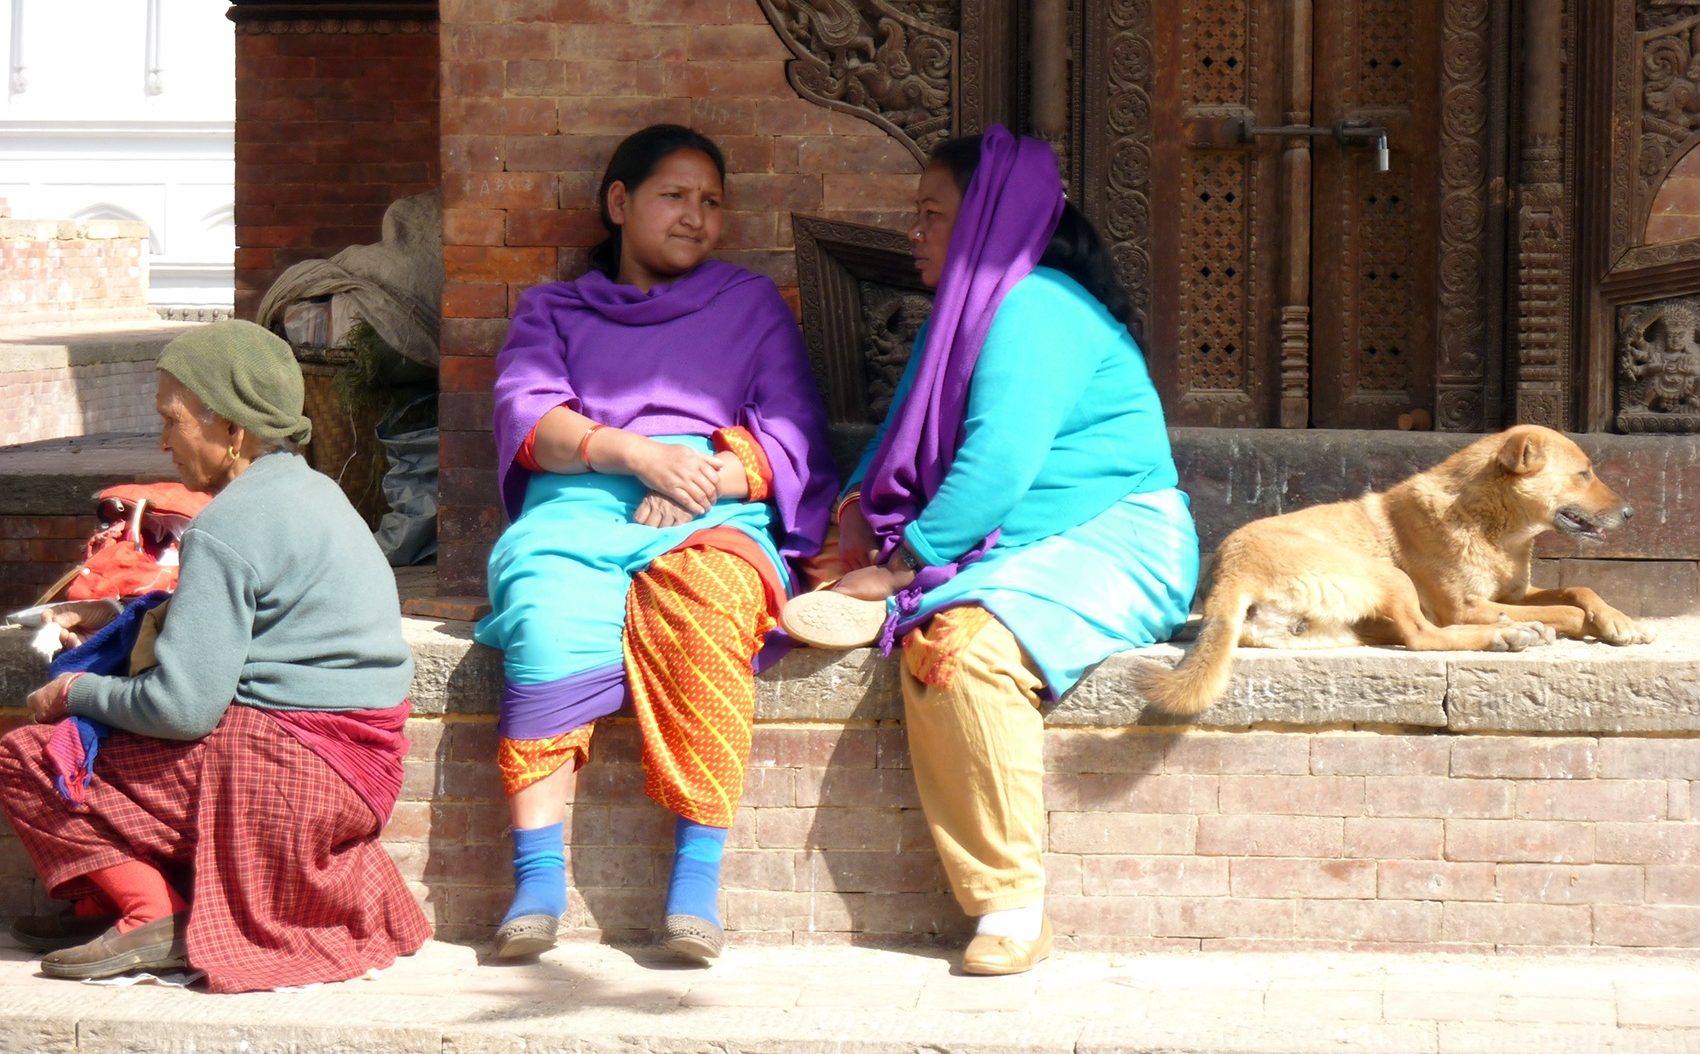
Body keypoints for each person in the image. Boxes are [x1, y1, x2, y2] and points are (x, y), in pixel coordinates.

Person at [780, 127, 1200, 975]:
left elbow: (996, 463)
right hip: (1023, 544)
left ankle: (1011, 905)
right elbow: (899, 435)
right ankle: (905, 597)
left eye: (931, 216)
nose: (914, 233)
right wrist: (857, 517)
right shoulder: (969, 317)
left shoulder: (1035, 309)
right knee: (930, 625)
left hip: (1119, 538)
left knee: (959, 651)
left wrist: (901, 567)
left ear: (986, 221)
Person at [475, 124, 836, 963]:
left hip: (714, 506)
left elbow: (792, 436)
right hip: (577, 506)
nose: (696, 217)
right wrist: (638, 456)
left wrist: (696, 479)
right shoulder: (553, 310)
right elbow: (529, 416)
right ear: (619, 203)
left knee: (711, 607)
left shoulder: (749, 307)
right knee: (542, 606)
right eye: (675, 196)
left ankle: (696, 881)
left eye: (711, 202)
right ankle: (536, 880)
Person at [0, 320, 430, 993]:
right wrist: (118, 617)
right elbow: (246, 615)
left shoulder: (227, 526)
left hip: (291, 782)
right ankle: (132, 901)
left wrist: (74, 694)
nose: (165, 441)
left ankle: (152, 913)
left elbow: (182, 707)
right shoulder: (317, 493)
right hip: (358, 775)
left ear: (231, 427)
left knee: (30, 755)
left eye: (172, 419)